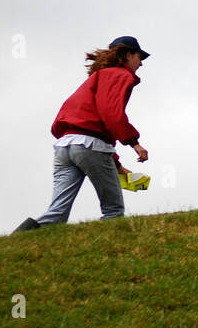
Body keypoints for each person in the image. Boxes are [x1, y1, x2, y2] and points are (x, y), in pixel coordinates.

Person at [14, 36, 151, 232]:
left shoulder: (96, 78)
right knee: (113, 210)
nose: (141, 63)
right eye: (139, 56)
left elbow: (86, 124)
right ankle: (107, 255)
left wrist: (117, 165)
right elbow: (110, 114)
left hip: (65, 146)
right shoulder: (120, 75)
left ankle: (16, 242)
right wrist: (134, 143)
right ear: (128, 55)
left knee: (57, 213)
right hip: (91, 146)